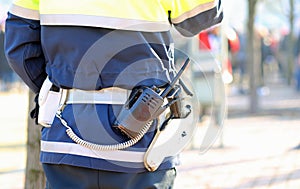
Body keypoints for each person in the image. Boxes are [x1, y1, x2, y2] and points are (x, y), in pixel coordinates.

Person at [5, 1, 223, 188]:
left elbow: (19, 50)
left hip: (66, 137)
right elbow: (205, 14)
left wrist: (65, 96)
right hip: (143, 144)